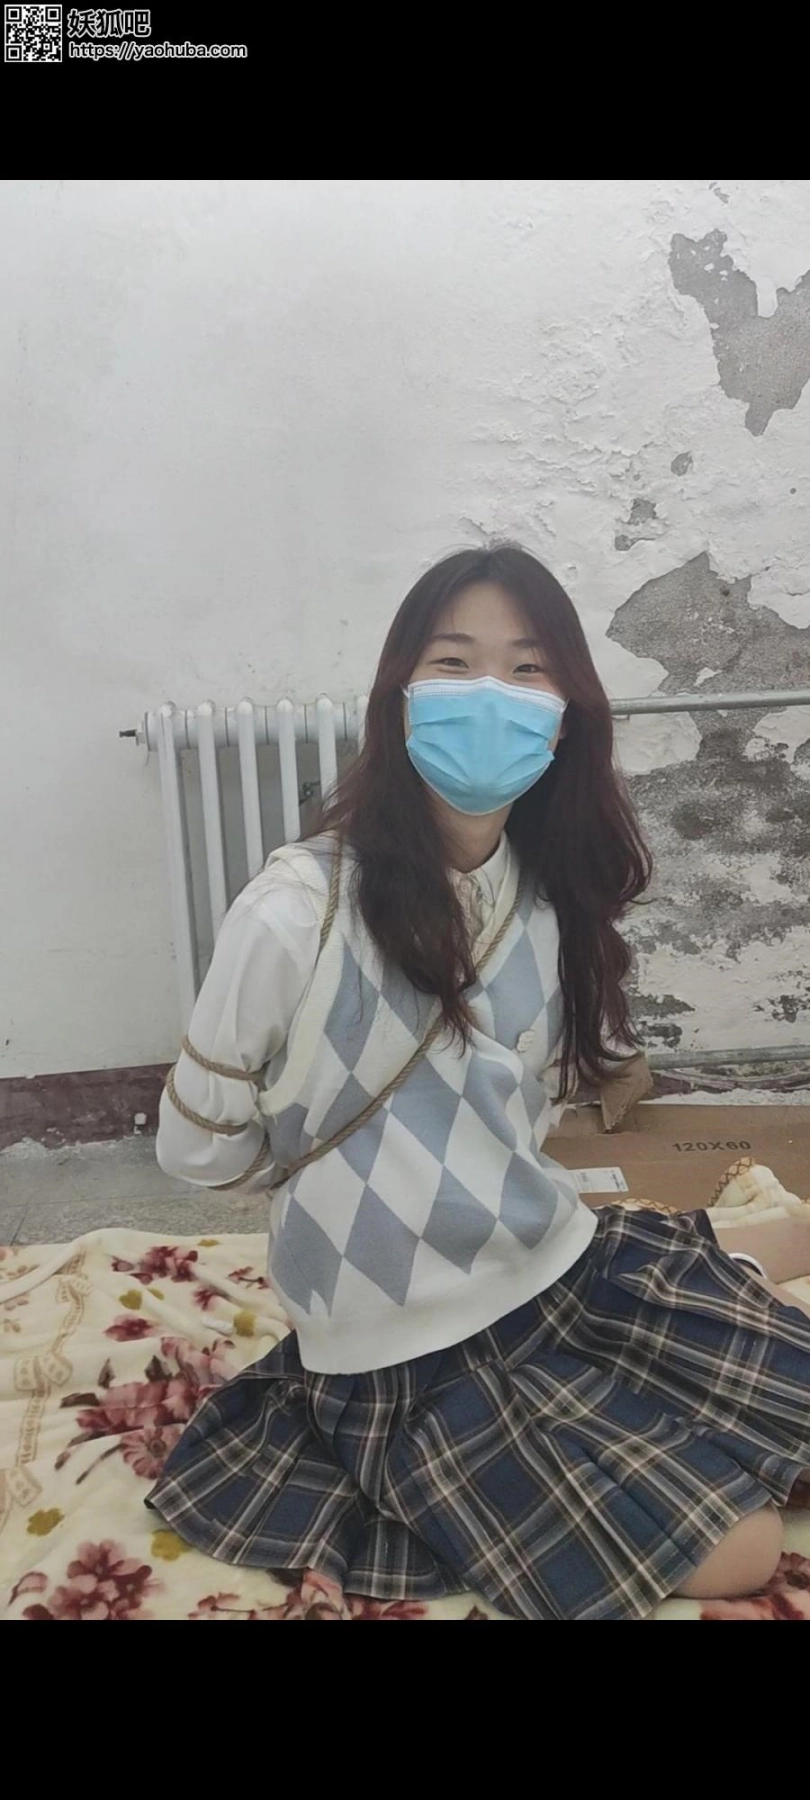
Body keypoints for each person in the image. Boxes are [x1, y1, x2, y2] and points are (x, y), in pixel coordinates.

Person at [149, 544, 810, 1621]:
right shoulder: (293, 910)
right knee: (742, 1552)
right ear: (399, 694)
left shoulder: (546, 895)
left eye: (527, 667)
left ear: (567, 713)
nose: (490, 696)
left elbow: (524, 1120)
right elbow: (194, 1153)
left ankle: (738, 1251)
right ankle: (733, 1257)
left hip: (549, 1263)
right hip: (409, 1352)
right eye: (454, 663)